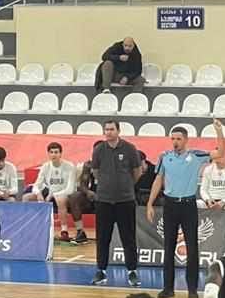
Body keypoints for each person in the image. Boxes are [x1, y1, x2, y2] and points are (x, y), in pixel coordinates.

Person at [147, 119, 225, 298]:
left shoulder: (196, 156)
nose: (175, 142)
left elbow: (220, 153)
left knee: (192, 247)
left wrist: (219, 131)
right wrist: (150, 203)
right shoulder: (164, 157)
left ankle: (192, 288)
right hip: (170, 205)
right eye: (173, 139)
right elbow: (158, 180)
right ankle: (168, 288)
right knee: (168, 246)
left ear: (186, 140)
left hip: (188, 205)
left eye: (178, 139)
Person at [90, 120, 144, 287]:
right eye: (106, 129)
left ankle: (132, 271)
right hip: (104, 201)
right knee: (102, 238)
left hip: (125, 201)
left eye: (112, 129)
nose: (108, 132)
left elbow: (137, 171)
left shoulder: (129, 148)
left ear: (118, 131)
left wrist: (126, 185)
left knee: (128, 238)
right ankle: (101, 271)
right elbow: (96, 172)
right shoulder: (99, 150)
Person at [25, 142, 77, 242]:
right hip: (50, 193)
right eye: (51, 152)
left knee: (60, 199)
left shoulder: (69, 166)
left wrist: (54, 194)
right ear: (48, 154)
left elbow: (70, 188)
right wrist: (38, 193)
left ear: (60, 154)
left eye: (56, 152)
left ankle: (64, 230)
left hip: (65, 194)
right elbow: (36, 185)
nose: (54, 155)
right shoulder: (45, 166)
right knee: (27, 197)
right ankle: (30, 227)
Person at [66, 160, 96, 245]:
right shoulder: (89, 165)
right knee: (74, 197)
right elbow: (82, 185)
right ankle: (80, 232)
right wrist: (87, 192)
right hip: (93, 197)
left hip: (110, 196)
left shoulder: (114, 162)